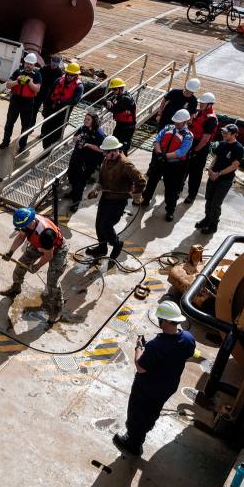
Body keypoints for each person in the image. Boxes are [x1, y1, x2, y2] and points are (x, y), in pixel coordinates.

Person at [113, 300, 196, 456]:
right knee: (152, 412)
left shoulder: (156, 346)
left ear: (164, 321)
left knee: (137, 414)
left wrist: (139, 347)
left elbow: (140, 366)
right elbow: (186, 355)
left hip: (147, 389)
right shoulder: (188, 338)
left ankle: (133, 443)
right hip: (167, 387)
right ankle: (142, 431)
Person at [0, 207, 69, 323]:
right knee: (22, 264)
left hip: (57, 250)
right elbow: (21, 236)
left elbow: (49, 255)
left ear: (30, 222)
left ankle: (57, 307)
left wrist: (37, 266)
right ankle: (16, 287)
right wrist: (10, 252)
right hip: (39, 244)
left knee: (52, 280)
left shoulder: (46, 234)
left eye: (24, 226)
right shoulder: (28, 224)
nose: (23, 229)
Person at [87, 136, 146, 262]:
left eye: (106, 152)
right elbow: (101, 180)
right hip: (106, 198)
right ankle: (102, 248)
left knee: (106, 226)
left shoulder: (126, 164)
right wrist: (96, 189)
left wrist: (135, 193)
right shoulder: (106, 161)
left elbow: (141, 180)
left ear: (114, 151)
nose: (104, 154)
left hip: (118, 201)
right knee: (98, 225)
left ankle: (117, 243)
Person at [142, 108, 194, 222]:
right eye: (175, 121)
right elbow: (157, 140)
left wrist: (165, 156)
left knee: (171, 189)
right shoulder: (167, 128)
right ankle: (146, 199)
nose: (176, 123)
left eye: (179, 122)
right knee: (152, 181)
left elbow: (181, 152)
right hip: (160, 159)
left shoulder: (188, 136)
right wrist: (160, 154)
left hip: (173, 166)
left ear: (185, 122)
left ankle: (170, 210)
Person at [196, 123, 243, 234]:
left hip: (224, 180)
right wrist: (211, 169)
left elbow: (234, 166)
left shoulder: (238, 149)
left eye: (226, 133)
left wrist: (219, 173)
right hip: (214, 177)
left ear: (234, 134)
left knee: (216, 203)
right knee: (208, 199)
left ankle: (213, 224)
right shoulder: (222, 144)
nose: (223, 134)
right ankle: (207, 219)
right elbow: (216, 158)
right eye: (223, 132)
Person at [0, 53, 42, 151]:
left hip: (28, 102)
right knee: (9, 122)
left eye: (31, 64)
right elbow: (8, 85)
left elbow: (37, 89)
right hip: (15, 100)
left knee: (25, 125)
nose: (28, 66)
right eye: (27, 63)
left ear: (34, 65)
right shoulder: (18, 72)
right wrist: (17, 81)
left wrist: (29, 82)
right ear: (24, 62)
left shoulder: (37, 75)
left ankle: (22, 145)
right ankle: (5, 141)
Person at [182, 92, 218, 204]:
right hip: (191, 142)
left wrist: (195, 150)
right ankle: (178, 187)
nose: (201, 104)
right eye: (201, 102)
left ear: (210, 105)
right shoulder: (198, 113)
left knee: (195, 173)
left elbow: (205, 138)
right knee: (183, 168)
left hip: (200, 147)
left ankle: (191, 195)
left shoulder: (211, 119)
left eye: (203, 103)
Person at [66, 112, 106, 212]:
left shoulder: (99, 134)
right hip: (76, 157)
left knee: (80, 183)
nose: (85, 121)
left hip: (87, 162)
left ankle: (75, 202)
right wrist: (76, 138)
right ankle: (73, 192)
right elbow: (74, 138)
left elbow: (102, 150)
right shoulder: (83, 128)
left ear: (93, 121)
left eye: (88, 119)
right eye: (85, 119)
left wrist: (89, 145)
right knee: (71, 175)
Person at [41, 61, 84, 149]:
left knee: (56, 135)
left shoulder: (79, 86)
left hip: (63, 114)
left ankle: (49, 152)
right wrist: (45, 108)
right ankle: (45, 150)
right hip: (51, 110)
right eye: (68, 74)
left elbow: (75, 101)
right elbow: (49, 94)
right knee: (45, 132)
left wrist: (60, 102)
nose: (69, 76)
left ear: (76, 75)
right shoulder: (58, 80)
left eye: (72, 75)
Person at [103, 78, 137, 153]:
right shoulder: (117, 96)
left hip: (128, 127)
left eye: (115, 89)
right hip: (120, 125)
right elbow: (105, 100)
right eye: (112, 89)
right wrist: (107, 101)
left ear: (121, 89)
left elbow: (115, 109)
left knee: (123, 148)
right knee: (114, 143)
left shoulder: (126, 99)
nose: (113, 91)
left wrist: (109, 105)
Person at [36, 55, 64, 124]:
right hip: (40, 93)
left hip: (50, 96)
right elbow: (37, 80)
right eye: (54, 62)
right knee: (34, 110)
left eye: (57, 62)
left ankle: (43, 131)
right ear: (51, 61)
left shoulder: (60, 73)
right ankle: (30, 127)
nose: (55, 64)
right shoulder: (44, 69)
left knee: (47, 114)